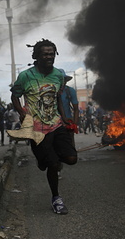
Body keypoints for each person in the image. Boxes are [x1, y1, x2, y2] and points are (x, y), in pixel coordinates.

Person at [10, 39, 77, 215]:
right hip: (37, 129)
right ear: (36, 56)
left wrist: (64, 117)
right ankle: (56, 198)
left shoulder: (59, 76)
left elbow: (57, 98)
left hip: (56, 124)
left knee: (71, 158)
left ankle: (46, 159)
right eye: (45, 54)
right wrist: (22, 113)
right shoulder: (25, 76)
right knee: (53, 164)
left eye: (52, 54)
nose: (49, 57)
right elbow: (15, 97)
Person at [59, 69, 79, 146]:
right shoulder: (49, 91)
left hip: (67, 121)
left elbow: (76, 109)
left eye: (63, 79)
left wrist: (74, 124)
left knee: (70, 144)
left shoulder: (70, 91)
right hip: (53, 122)